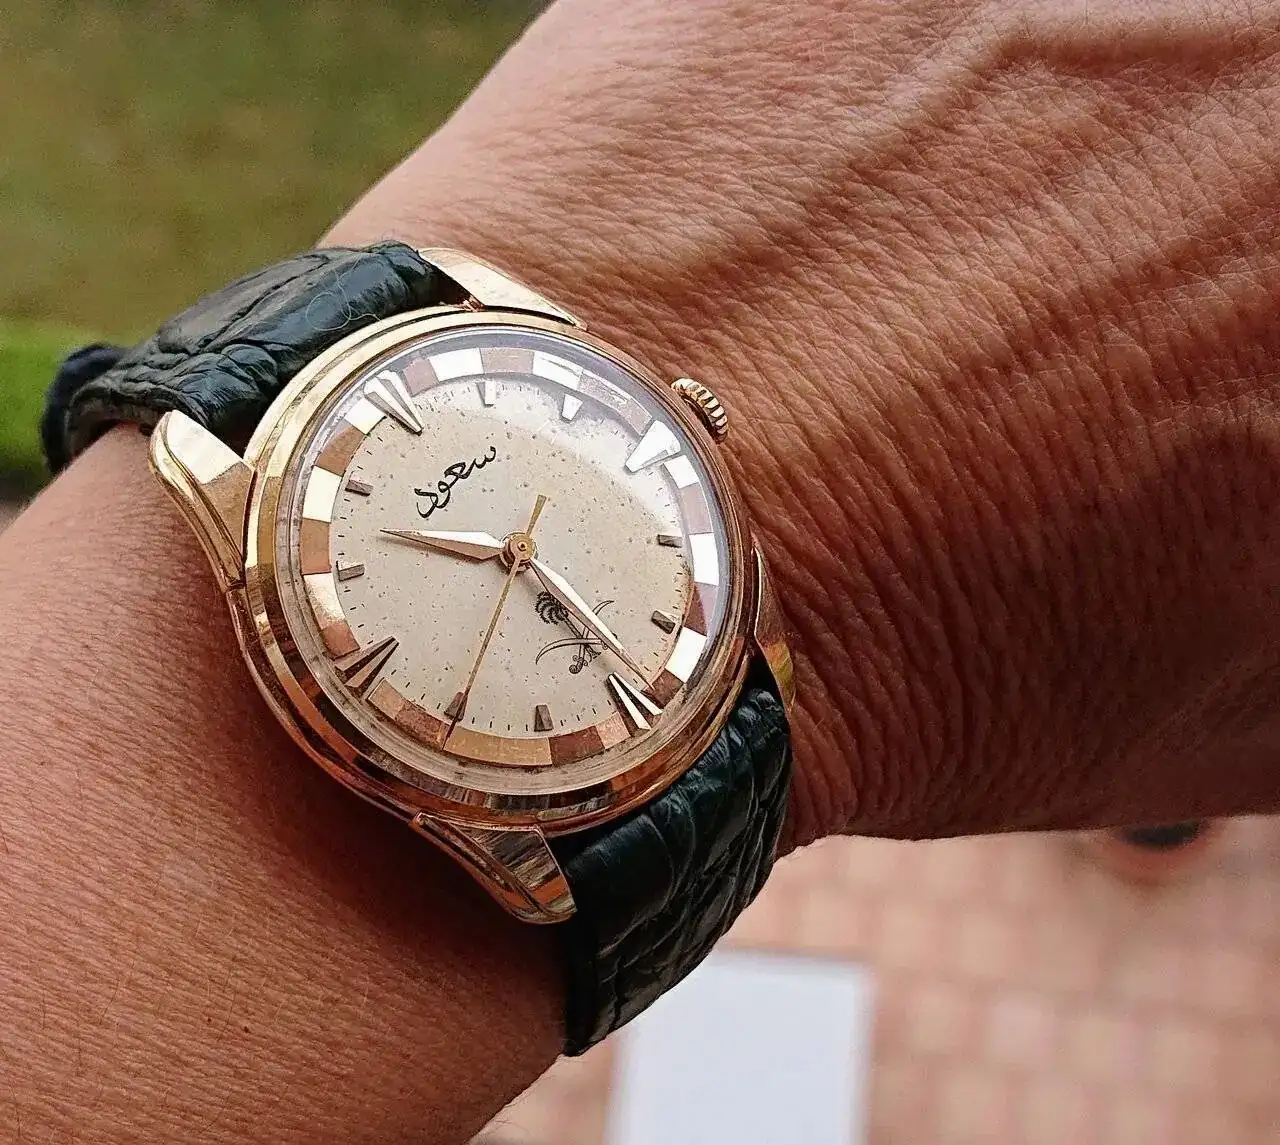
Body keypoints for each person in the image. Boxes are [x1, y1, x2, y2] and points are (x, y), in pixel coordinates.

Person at [2, 0, 1278, 1140]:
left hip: (601, 615)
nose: (515, 552)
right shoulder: (228, 490)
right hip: (504, 708)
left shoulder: (491, 338)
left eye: (514, 543)